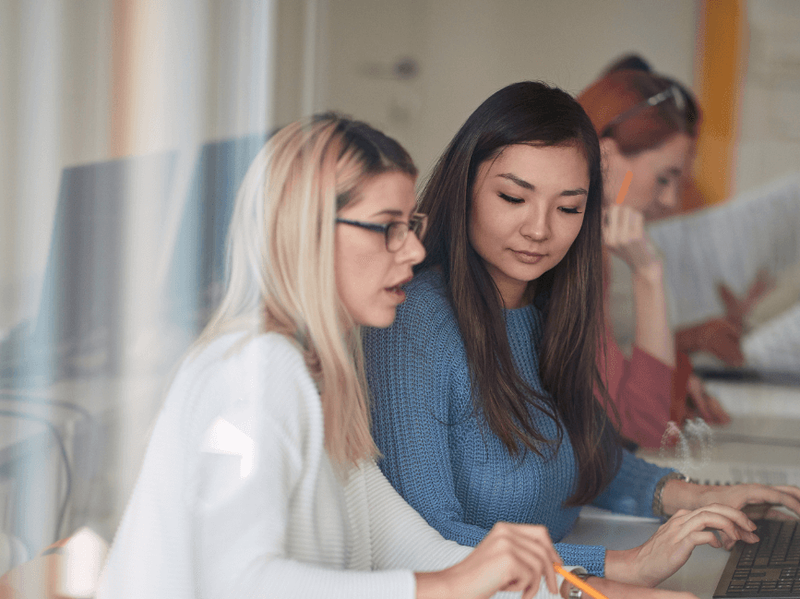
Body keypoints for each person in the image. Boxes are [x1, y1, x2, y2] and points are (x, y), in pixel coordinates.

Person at [95, 113, 569, 599]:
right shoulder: (255, 372)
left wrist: (579, 590)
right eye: (387, 227)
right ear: (308, 231)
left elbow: (416, 550)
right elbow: (235, 581)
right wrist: (453, 585)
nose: (411, 251)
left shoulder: (320, 378)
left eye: (410, 226)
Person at [363, 81, 800, 598]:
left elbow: (591, 460)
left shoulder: (550, 303)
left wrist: (701, 498)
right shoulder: (414, 323)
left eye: (568, 208)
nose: (539, 230)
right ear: (464, 190)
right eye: (512, 197)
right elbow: (432, 539)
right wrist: (620, 567)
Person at [577, 56, 748, 443]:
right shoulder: (564, 254)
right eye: (663, 178)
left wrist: (675, 380)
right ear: (604, 157)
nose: (670, 200)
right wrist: (647, 275)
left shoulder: (592, 251)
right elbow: (647, 425)